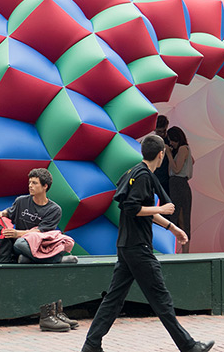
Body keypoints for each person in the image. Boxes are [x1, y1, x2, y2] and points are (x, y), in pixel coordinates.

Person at [81, 135, 215, 352]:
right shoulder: (143, 176)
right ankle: (189, 346)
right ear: (161, 154)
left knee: (113, 299)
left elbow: (143, 210)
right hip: (138, 248)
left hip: (126, 247)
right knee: (161, 300)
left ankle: (91, 344)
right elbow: (132, 208)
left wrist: (173, 228)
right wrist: (161, 209)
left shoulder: (134, 173)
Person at [0, 168, 74, 264]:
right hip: (22, 243)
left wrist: (17, 233)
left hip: (41, 244)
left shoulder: (54, 209)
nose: (30, 186)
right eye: (29, 182)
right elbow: (9, 212)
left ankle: (28, 259)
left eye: (34, 183)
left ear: (45, 186)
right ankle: (56, 260)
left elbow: (40, 231)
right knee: (19, 244)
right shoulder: (21, 201)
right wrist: (1, 213)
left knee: (67, 242)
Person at [166, 126, 194, 253]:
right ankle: (182, 249)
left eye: (172, 140)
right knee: (177, 217)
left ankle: (185, 250)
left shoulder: (183, 148)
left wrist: (169, 155)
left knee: (181, 217)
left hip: (179, 183)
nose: (171, 143)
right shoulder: (181, 150)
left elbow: (176, 170)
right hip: (175, 184)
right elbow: (192, 161)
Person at [153, 115, 172, 199]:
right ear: (154, 129)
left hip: (168, 180)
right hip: (154, 178)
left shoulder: (170, 140)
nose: (163, 134)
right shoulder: (150, 142)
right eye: (159, 131)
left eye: (164, 131)